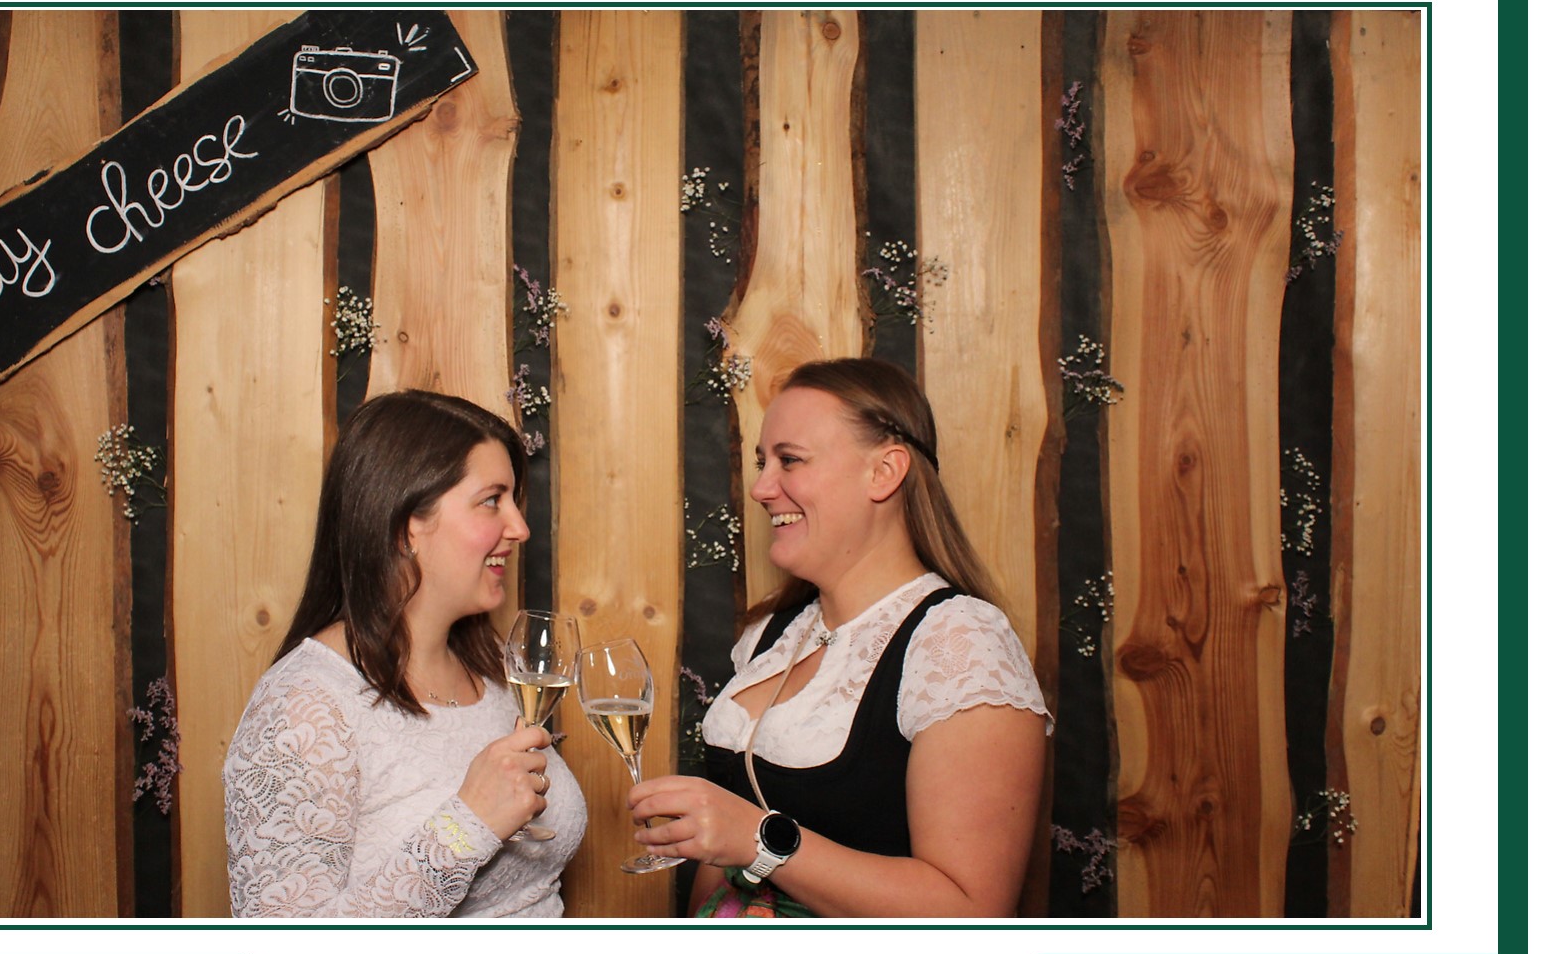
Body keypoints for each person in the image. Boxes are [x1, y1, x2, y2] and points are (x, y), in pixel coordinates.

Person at [629, 359, 1048, 917]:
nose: (761, 488)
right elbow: (722, 855)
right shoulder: (771, 634)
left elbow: (971, 913)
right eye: (762, 462)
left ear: (884, 472)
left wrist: (759, 841)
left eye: (790, 460)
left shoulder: (958, 642)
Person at [223, 390, 585, 917]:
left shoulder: (496, 669)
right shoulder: (304, 709)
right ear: (405, 524)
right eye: (492, 500)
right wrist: (467, 826)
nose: (520, 528)